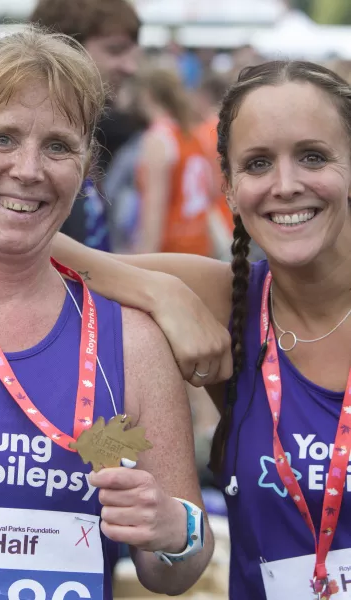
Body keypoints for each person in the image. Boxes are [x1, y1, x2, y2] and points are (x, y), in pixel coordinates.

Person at [0, 27, 214, 599]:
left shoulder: (134, 343)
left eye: (58, 146)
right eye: (1, 137)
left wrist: (174, 532)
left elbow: (181, 566)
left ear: (87, 163)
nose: (28, 169)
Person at [51, 59, 351, 598]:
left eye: (313, 156)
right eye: (258, 164)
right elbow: (29, 246)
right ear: (230, 190)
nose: (286, 185)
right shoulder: (230, 300)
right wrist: (160, 292)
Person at [30, 0, 141, 252]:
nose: (130, 67)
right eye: (115, 50)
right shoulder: (32, 146)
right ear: (67, 47)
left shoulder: (83, 130)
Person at [134, 65, 214, 256]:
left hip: (170, 251)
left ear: (147, 94)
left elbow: (154, 206)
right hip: (199, 244)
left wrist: (145, 258)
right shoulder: (192, 134)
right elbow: (211, 190)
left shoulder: (158, 138)